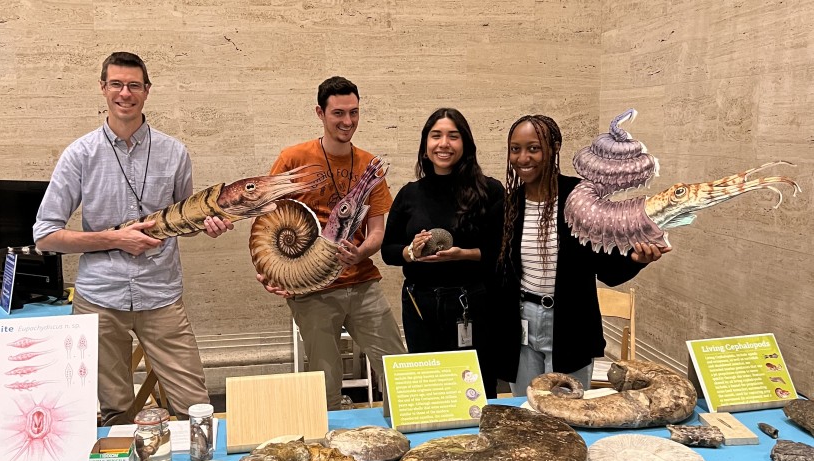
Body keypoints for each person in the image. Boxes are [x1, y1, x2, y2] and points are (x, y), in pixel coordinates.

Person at [34, 51, 233, 425]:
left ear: (147, 91)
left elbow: (181, 221)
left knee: (196, 409)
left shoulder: (174, 152)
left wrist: (207, 225)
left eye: (134, 86)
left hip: (161, 293)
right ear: (103, 88)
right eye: (117, 84)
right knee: (115, 414)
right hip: (100, 299)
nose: (125, 93)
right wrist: (114, 239)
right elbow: (45, 235)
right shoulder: (80, 154)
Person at [259, 76, 405, 410]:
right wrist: (272, 271)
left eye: (354, 112)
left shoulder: (369, 165)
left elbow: (377, 231)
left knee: (398, 370)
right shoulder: (293, 159)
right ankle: (332, 454)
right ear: (320, 113)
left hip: (362, 283)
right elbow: (267, 221)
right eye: (339, 113)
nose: (348, 121)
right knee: (326, 385)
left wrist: (361, 252)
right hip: (311, 293)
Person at [496, 114, 669, 396]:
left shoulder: (580, 198)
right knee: (527, 410)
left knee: (571, 411)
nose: (523, 158)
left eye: (533, 148)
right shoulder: (508, 206)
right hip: (520, 325)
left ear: (555, 147)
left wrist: (638, 260)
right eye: (515, 149)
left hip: (570, 323)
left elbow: (606, 265)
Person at [381, 108, 504, 397]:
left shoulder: (490, 191)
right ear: (425, 146)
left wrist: (464, 254)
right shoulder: (410, 194)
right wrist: (410, 252)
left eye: (453, 136)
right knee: (430, 390)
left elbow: (502, 252)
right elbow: (388, 251)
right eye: (436, 136)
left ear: (466, 144)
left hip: (471, 303)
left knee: (475, 388)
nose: (444, 144)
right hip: (419, 304)